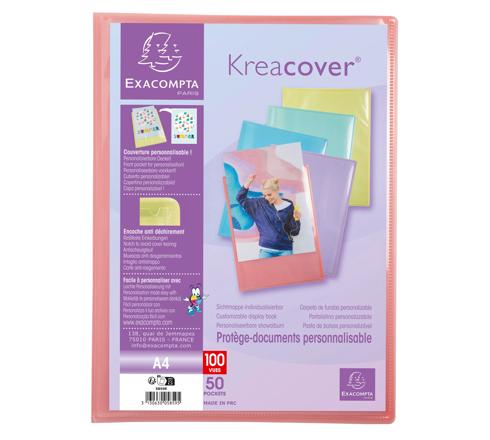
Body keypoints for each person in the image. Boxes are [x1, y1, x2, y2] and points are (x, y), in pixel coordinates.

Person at [236, 174, 301, 258]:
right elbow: (240, 198)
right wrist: (248, 182)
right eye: (265, 195)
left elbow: (294, 232)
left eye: (269, 194)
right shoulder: (259, 204)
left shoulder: (289, 205)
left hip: (285, 249)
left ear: (277, 190)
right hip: (266, 250)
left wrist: (297, 219)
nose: (267, 198)